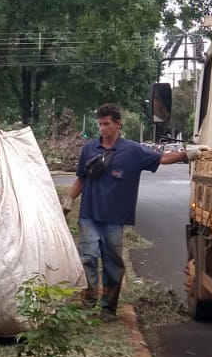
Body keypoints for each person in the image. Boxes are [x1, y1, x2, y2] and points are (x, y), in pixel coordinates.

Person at [62, 103, 198, 316]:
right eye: (100, 124)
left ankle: (108, 307)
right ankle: (88, 305)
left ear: (118, 125)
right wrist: (69, 199)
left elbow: (161, 158)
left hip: (114, 219)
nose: (102, 128)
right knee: (87, 257)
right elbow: (82, 178)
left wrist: (186, 155)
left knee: (113, 263)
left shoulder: (133, 151)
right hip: (89, 214)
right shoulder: (89, 149)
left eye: (106, 124)